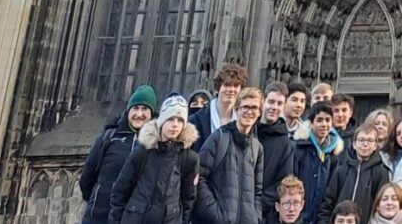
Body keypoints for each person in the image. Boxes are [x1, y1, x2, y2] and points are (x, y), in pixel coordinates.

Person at [109, 94, 200, 224]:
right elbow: (120, 191)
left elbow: (188, 199)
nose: (175, 125)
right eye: (170, 119)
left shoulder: (189, 158)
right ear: (162, 120)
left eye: (180, 120)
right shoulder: (143, 151)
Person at [81, 84, 157, 224]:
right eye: (135, 108)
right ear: (128, 111)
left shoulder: (156, 145)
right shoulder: (109, 137)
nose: (139, 114)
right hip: (99, 217)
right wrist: (97, 203)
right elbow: (87, 178)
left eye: (145, 109)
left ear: (152, 113)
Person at [193, 86, 265, 224]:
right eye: (245, 107)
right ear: (237, 109)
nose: (249, 111)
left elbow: (257, 191)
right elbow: (199, 177)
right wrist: (216, 214)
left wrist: (254, 218)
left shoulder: (257, 148)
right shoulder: (219, 138)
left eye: (254, 108)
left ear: (259, 113)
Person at [320, 123, 392, 224]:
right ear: (354, 144)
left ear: (375, 145)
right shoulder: (341, 170)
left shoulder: (381, 172)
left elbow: (381, 209)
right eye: (361, 140)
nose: (365, 144)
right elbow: (327, 204)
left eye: (370, 141)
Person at [294, 101, 346, 224]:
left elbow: (332, 188)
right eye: (319, 120)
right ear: (311, 123)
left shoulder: (333, 153)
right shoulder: (300, 148)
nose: (324, 124)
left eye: (328, 120)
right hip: (300, 214)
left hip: (322, 217)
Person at [259, 82, 296, 223]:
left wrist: (258, 204)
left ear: (284, 106)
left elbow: (282, 181)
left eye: (279, 103)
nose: (274, 107)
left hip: (263, 214)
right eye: (271, 101)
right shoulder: (250, 131)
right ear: (263, 101)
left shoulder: (284, 143)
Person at [190, 63, 248, 150]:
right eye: (227, 85)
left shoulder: (244, 122)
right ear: (219, 87)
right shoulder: (195, 120)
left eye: (235, 86)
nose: (231, 90)